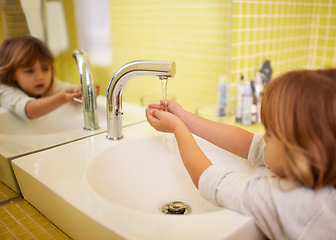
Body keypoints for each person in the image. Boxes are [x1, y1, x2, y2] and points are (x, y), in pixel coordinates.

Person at [145, 69, 336, 239]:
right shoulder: (320, 172)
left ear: (301, 153)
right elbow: (250, 144)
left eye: (271, 133)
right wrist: (185, 119)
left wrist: (178, 129)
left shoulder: (289, 200)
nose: (265, 138)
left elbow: (211, 181)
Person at [0, 35, 99, 120]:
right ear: (12, 74)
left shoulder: (50, 85)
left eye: (45, 69)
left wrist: (81, 93)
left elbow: (67, 90)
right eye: (29, 71)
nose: (40, 77)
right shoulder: (4, 91)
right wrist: (63, 97)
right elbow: (29, 109)